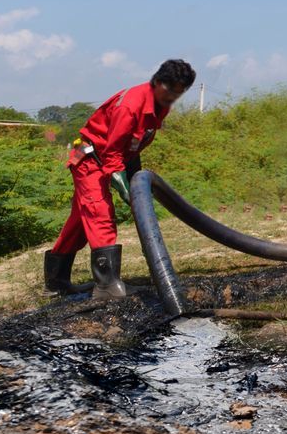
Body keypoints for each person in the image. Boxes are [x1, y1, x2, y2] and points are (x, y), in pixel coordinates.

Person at [43, 58, 195, 300]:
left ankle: (56, 282)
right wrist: (127, 191)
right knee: (100, 214)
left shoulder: (160, 104)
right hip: (90, 160)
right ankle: (106, 286)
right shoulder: (130, 106)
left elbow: (132, 146)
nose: (173, 97)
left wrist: (137, 183)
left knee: (81, 223)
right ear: (158, 82)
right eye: (170, 90)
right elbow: (112, 153)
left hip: (113, 159)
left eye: (179, 92)